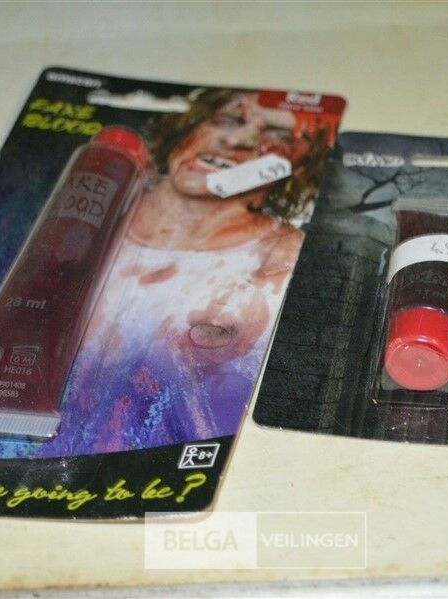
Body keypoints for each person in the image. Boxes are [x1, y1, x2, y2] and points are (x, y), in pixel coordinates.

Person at [47, 89, 336, 456]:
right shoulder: (82, 224)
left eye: (277, 135)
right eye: (228, 119)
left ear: (301, 164)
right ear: (187, 128)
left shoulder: (282, 259)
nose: (240, 139)